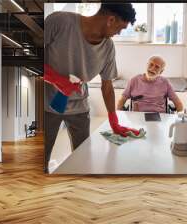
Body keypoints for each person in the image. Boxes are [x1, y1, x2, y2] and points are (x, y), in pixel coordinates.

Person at [44, 3, 139, 173]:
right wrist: (57, 79)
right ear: (111, 19)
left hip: (80, 110)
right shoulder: (59, 22)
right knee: (41, 163)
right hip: (46, 106)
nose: (119, 33)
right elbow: (32, 57)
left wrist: (113, 121)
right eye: (121, 28)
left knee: (83, 163)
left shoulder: (108, 48)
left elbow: (107, 85)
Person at [117, 55, 183, 113]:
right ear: (147, 64)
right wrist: (119, 118)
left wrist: (180, 119)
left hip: (159, 117)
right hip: (137, 116)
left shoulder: (165, 82)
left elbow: (178, 103)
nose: (152, 68)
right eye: (151, 64)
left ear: (161, 71)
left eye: (157, 67)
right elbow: (121, 101)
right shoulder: (134, 80)